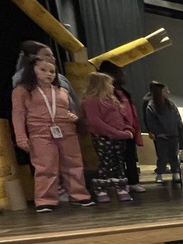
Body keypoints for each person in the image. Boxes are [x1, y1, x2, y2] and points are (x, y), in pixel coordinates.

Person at [11, 57, 94, 211]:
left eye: (52, 71)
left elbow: (70, 110)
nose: (48, 74)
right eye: (43, 70)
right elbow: (18, 114)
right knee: (45, 166)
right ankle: (45, 200)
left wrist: (75, 119)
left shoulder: (62, 90)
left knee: (74, 164)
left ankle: (79, 195)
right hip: (40, 133)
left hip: (66, 131)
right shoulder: (22, 91)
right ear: (32, 70)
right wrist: (21, 137)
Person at [82, 72, 136, 203]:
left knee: (119, 162)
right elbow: (96, 122)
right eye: (109, 84)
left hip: (119, 138)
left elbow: (124, 118)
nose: (112, 87)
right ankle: (101, 188)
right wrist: (117, 133)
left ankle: (121, 188)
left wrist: (128, 129)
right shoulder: (91, 101)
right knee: (105, 163)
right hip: (103, 138)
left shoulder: (113, 100)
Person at [98, 61, 145, 193]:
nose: (123, 75)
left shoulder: (124, 93)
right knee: (112, 161)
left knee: (130, 158)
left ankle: (131, 182)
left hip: (128, 131)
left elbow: (127, 113)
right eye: (120, 73)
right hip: (112, 133)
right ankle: (112, 186)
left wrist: (131, 129)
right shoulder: (104, 95)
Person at [144, 81, 183, 184]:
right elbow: (150, 121)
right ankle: (159, 174)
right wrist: (157, 133)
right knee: (162, 156)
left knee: (173, 155)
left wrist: (180, 130)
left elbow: (177, 118)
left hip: (173, 134)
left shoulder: (171, 104)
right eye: (165, 90)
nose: (168, 92)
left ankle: (175, 173)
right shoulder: (152, 105)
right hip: (161, 136)